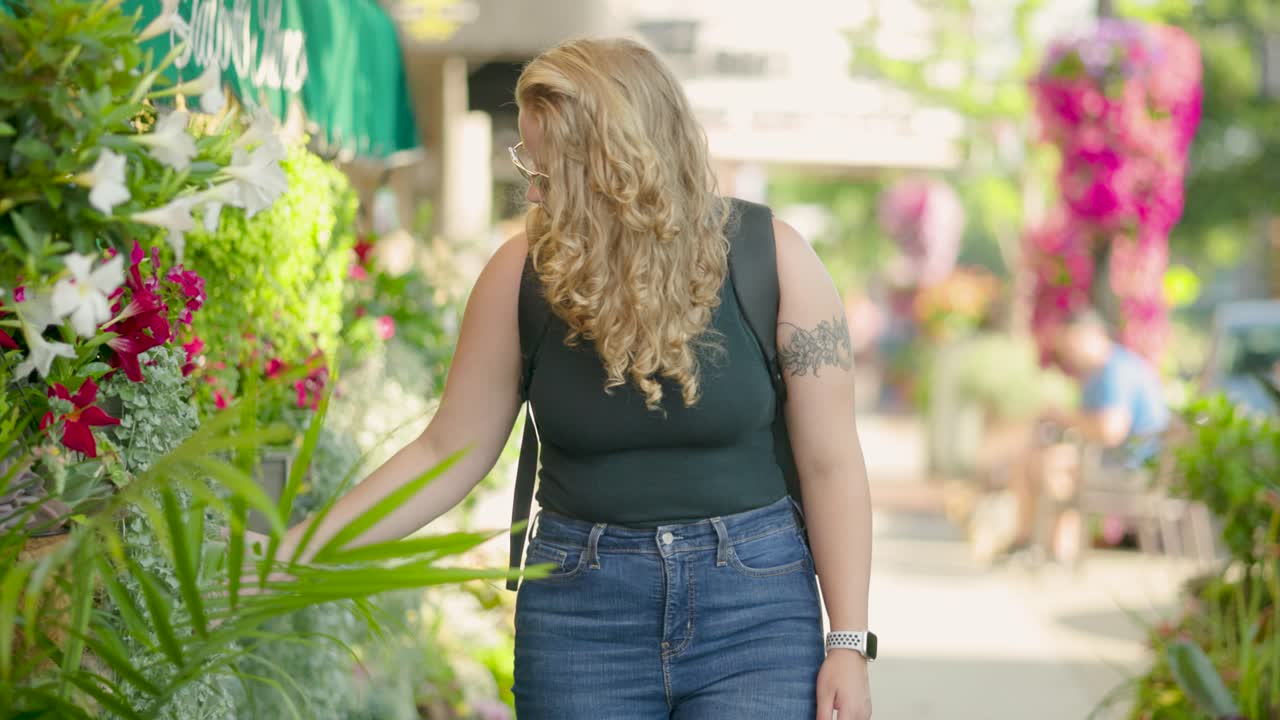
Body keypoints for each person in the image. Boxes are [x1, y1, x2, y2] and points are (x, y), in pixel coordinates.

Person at [257, 38, 875, 719]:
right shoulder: (519, 274)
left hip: (757, 616)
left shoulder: (773, 258)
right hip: (583, 613)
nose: (531, 190)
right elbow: (446, 453)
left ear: (617, 168)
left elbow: (831, 463)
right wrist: (298, 553)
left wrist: (847, 642)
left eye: (550, 174)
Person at [1004, 307, 1169, 562]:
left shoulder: (1117, 369)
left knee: (1046, 465)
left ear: (1095, 334)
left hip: (1133, 469)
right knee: (1032, 460)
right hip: (1115, 463)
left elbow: (1110, 430)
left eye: (1072, 344)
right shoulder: (1098, 374)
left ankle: (1046, 548)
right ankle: (1043, 547)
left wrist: (1062, 417)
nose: (1069, 353)